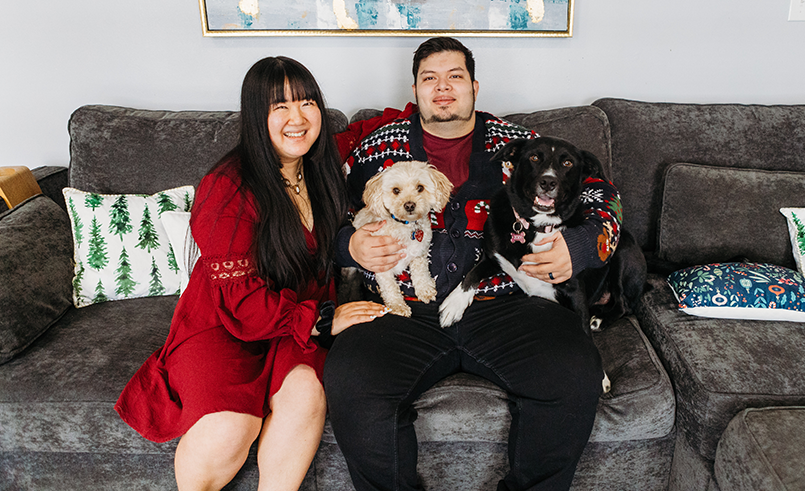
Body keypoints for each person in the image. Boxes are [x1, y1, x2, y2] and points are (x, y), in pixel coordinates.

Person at [324, 37, 623, 491]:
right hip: (401, 309)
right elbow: (317, 214)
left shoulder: (521, 145)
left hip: (508, 303)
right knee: (351, 383)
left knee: (573, 376)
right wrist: (349, 246)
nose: (442, 88)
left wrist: (580, 247)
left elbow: (605, 195)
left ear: (475, 86)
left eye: (455, 77)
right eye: (430, 79)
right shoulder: (375, 148)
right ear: (415, 89)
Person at [115, 57, 387, 491]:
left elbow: (382, 124)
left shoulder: (321, 162)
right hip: (228, 319)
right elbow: (241, 301)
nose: (297, 118)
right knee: (230, 428)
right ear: (255, 116)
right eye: (280, 106)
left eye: (307, 102)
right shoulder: (227, 186)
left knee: (305, 394)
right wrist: (321, 319)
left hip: (293, 322)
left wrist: (431, 103)